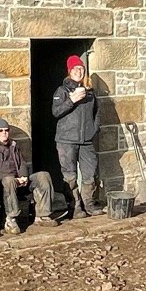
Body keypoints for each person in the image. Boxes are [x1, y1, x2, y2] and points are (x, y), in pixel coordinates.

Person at [0, 117, 58, 238]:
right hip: (1, 185)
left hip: (17, 181)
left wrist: (24, 176)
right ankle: (11, 220)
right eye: (0, 130)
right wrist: (13, 178)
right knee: (9, 180)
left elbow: (22, 163)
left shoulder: (13, 145)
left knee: (43, 176)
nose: (4, 133)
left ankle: (43, 215)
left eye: (6, 130)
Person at [49, 54, 102, 218]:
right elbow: (56, 112)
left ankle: (89, 205)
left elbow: (97, 113)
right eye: (75, 68)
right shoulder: (62, 91)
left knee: (90, 174)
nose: (78, 71)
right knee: (70, 176)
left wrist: (94, 129)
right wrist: (71, 100)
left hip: (86, 140)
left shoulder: (90, 92)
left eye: (81, 68)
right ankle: (75, 207)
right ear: (69, 71)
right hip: (66, 141)